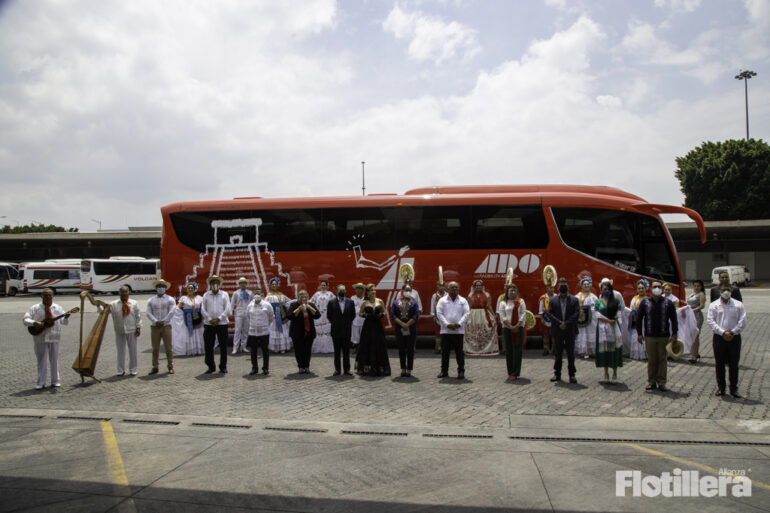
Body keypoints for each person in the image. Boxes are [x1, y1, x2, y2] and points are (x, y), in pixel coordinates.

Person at [23, 288, 71, 389]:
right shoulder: (35, 308)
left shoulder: (58, 308)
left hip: (54, 336)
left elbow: (64, 322)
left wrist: (66, 317)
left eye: (49, 295)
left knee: (54, 359)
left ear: (52, 296)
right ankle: (41, 382)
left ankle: (55, 381)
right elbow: (25, 319)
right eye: (45, 295)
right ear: (41, 296)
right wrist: (34, 322)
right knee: (41, 360)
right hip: (40, 337)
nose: (47, 297)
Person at [636, 280, 678, 392]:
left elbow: (674, 319)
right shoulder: (645, 302)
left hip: (664, 336)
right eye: (655, 287)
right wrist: (639, 334)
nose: (657, 289)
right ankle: (651, 381)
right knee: (652, 360)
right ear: (651, 289)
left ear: (662, 289)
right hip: (649, 335)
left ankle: (662, 382)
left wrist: (674, 334)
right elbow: (639, 318)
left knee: (662, 360)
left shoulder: (668, 303)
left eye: (659, 287)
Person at [707, 283, 747, 398]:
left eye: (728, 290)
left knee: (734, 364)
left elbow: (743, 321)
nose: (726, 292)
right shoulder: (714, 305)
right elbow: (711, 321)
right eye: (724, 290)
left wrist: (733, 332)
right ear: (720, 291)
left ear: (731, 291)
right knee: (719, 364)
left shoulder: (738, 305)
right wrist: (722, 332)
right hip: (719, 337)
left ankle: (734, 389)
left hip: (734, 337)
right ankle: (721, 388)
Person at [547, 278, 580, 384]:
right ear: (557, 287)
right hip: (558, 330)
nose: (563, 287)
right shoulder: (553, 300)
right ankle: (557, 374)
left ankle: (572, 375)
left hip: (570, 330)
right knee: (558, 353)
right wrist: (559, 323)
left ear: (568, 287)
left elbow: (576, 313)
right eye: (561, 285)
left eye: (565, 285)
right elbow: (550, 314)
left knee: (571, 353)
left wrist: (566, 323)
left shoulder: (574, 300)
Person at [105, 285, 142, 376]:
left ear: (128, 292)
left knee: (133, 351)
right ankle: (120, 370)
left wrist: (138, 327)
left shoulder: (134, 303)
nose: (124, 293)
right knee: (120, 351)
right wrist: (98, 306)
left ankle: (133, 369)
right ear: (119, 293)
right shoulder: (113, 304)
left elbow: (138, 316)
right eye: (122, 292)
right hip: (119, 330)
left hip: (132, 330)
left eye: (126, 292)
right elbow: (104, 312)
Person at [436, 281, 470, 379]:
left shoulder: (463, 300)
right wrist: (447, 324)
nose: (454, 289)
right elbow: (439, 313)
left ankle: (461, 372)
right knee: (445, 353)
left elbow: (467, 313)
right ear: (448, 289)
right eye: (452, 287)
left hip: (458, 331)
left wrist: (459, 324)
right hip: (445, 331)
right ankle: (444, 371)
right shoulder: (442, 300)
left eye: (456, 287)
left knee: (459, 353)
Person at [355, 284, 391, 376]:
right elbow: (360, 313)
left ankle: (379, 367)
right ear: (367, 292)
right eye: (371, 290)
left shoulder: (380, 301)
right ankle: (367, 367)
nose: (373, 292)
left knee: (379, 345)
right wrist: (365, 315)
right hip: (368, 326)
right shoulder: (364, 302)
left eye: (374, 290)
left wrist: (381, 315)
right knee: (367, 345)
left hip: (378, 326)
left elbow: (384, 312)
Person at [594, 280, 623, 384]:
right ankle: (606, 373)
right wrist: (608, 321)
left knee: (614, 349)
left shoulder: (616, 301)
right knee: (605, 350)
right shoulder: (598, 302)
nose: (606, 291)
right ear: (601, 290)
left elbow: (619, 313)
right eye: (604, 289)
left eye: (607, 289)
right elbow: (597, 314)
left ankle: (615, 373)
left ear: (611, 290)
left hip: (614, 326)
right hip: (602, 327)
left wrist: (613, 320)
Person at [201, 275, 231, 374]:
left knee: (223, 346)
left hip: (222, 323)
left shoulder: (224, 294)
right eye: (212, 283)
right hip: (209, 324)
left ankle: (223, 366)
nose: (215, 285)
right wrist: (210, 319)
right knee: (208, 346)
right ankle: (211, 366)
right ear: (210, 285)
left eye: (216, 283)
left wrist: (219, 319)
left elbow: (227, 308)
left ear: (219, 284)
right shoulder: (206, 295)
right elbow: (203, 309)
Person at [145, 279, 176, 375]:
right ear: (156, 288)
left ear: (165, 288)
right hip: (155, 327)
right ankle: (155, 366)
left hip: (166, 326)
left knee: (168, 348)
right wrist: (155, 321)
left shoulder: (170, 299)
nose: (160, 288)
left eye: (162, 287)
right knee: (155, 348)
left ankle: (170, 366)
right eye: (159, 287)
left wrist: (164, 321)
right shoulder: (151, 300)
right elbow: (148, 312)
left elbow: (172, 312)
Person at [287, 290, 321, 374]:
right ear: (298, 297)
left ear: (308, 297)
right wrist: (298, 309)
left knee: (307, 350)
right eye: (301, 296)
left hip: (309, 332)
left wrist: (309, 307)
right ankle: (300, 366)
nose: (303, 298)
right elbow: (290, 316)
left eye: (305, 296)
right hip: (297, 332)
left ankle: (307, 366)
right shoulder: (293, 305)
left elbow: (317, 315)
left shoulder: (311, 305)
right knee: (298, 350)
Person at [497, 284, 526, 381]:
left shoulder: (521, 301)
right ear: (507, 293)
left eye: (514, 290)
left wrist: (517, 326)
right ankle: (510, 372)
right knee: (509, 351)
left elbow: (523, 314)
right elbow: (502, 316)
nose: (512, 292)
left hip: (519, 328)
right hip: (507, 328)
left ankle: (515, 372)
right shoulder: (503, 303)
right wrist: (510, 327)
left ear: (516, 292)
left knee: (517, 351)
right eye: (510, 291)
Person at [327, 283, 356, 376]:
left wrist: (346, 323)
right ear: (336, 292)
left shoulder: (350, 302)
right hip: (336, 330)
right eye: (340, 290)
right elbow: (329, 316)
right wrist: (337, 323)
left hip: (347, 330)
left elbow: (353, 315)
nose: (342, 292)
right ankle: (337, 370)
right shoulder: (331, 302)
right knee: (337, 352)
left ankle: (347, 369)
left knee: (346, 351)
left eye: (344, 290)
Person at [464, 280, 498, 355]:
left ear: (482, 286)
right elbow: (468, 307)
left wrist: (494, 315)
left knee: (483, 331)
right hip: (473, 314)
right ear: (474, 287)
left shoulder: (487, 295)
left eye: (480, 285)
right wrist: (465, 316)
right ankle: (473, 349)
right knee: (473, 331)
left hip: (484, 314)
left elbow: (489, 306)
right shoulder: (470, 295)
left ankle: (485, 349)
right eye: (477, 286)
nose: (478, 287)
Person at [392, 283, 419, 377]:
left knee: (410, 349)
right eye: (406, 290)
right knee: (401, 349)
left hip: (411, 328)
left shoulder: (414, 302)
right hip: (399, 328)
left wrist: (407, 324)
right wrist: (402, 324)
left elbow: (416, 315)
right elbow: (393, 315)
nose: (408, 292)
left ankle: (409, 369)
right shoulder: (395, 302)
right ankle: (403, 368)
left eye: (409, 290)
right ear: (402, 291)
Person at [246, 286, 274, 376]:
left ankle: (265, 368)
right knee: (253, 351)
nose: (257, 295)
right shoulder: (250, 305)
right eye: (255, 293)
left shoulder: (267, 305)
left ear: (262, 294)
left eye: (259, 293)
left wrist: (265, 325)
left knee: (265, 351)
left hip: (264, 332)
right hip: (253, 332)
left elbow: (271, 317)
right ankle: (254, 368)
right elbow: (248, 317)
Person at [172, 282, 204, 356]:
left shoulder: (199, 298)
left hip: (197, 317)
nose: (190, 289)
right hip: (188, 317)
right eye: (189, 288)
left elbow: (205, 305)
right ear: (186, 289)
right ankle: (190, 350)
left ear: (195, 289)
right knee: (189, 333)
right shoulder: (184, 298)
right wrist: (173, 310)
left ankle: (198, 349)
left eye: (192, 288)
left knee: (198, 332)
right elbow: (177, 307)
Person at [265, 277, 292, 353]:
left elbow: (288, 302)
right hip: (274, 315)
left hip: (282, 314)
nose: (274, 285)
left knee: (283, 330)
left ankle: (283, 347)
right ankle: (275, 347)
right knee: (275, 329)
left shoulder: (281, 295)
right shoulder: (268, 296)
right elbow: (265, 306)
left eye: (275, 284)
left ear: (278, 285)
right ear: (270, 285)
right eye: (272, 284)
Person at [626, 280, 649, 360]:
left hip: (644, 321)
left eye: (642, 288)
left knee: (642, 334)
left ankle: (644, 354)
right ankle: (635, 354)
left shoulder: (647, 299)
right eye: (639, 288)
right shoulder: (634, 298)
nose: (641, 290)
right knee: (635, 335)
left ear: (645, 289)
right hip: (635, 319)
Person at [310, 280, 335, 353]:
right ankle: (318, 348)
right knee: (318, 330)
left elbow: (334, 303)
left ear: (327, 286)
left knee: (327, 330)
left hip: (327, 314)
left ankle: (328, 348)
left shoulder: (330, 294)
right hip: (318, 314)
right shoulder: (316, 294)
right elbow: (311, 302)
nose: (323, 286)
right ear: (320, 286)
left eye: (324, 285)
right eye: (322, 285)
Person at [575, 276, 597, 359]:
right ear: (581, 286)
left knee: (589, 334)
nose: (586, 286)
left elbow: (596, 308)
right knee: (582, 334)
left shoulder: (593, 297)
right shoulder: (577, 296)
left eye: (588, 284)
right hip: (580, 319)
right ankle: (582, 351)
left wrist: (589, 310)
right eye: (584, 284)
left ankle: (591, 351)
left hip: (590, 320)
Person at [230, 277, 253, 354]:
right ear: (239, 284)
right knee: (237, 330)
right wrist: (230, 312)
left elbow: (252, 302)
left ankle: (243, 346)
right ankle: (235, 347)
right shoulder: (236, 293)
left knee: (245, 331)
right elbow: (232, 303)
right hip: (239, 313)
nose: (243, 284)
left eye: (244, 283)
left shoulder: (250, 293)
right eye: (241, 283)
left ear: (246, 284)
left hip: (247, 313)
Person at [687, 280, 706, 364]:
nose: (696, 287)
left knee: (695, 335)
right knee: (691, 335)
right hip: (690, 315)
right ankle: (695, 352)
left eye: (698, 286)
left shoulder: (701, 294)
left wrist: (692, 310)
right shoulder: (692, 294)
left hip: (697, 316)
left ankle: (694, 356)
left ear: (701, 287)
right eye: (695, 286)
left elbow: (702, 306)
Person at [537, 284, 555, 356]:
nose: (552, 289)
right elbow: (540, 309)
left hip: (554, 319)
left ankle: (554, 349)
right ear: (546, 289)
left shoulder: (557, 297)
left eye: (553, 288)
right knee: (546, 335)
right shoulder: (543, 298)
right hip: (546, 319)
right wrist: (541, 319)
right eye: (550, 288)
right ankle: (546, 349)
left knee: (554, 335)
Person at [429, 281, 446, 353]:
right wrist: (433, 315)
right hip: (438, 317)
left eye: (442, 286)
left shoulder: (447, 295)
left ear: (444, 287)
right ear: (437, 286)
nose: (441, 287)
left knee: (445, 332)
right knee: (438, 332)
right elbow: (432, 305)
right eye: (439, 286)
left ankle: (444, 347)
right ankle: (438, 347)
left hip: (446, 317)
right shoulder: (434, 296)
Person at [350, 283, 366, 353]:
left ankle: (363, 348)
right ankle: (356, 347)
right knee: (355, 333)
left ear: (363, 290)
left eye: (360, 288)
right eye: (357, 288)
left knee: (364, 332)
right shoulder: (352, 298)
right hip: (355, 318)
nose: (358, 290)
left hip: (363, 318)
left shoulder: (366, 298)